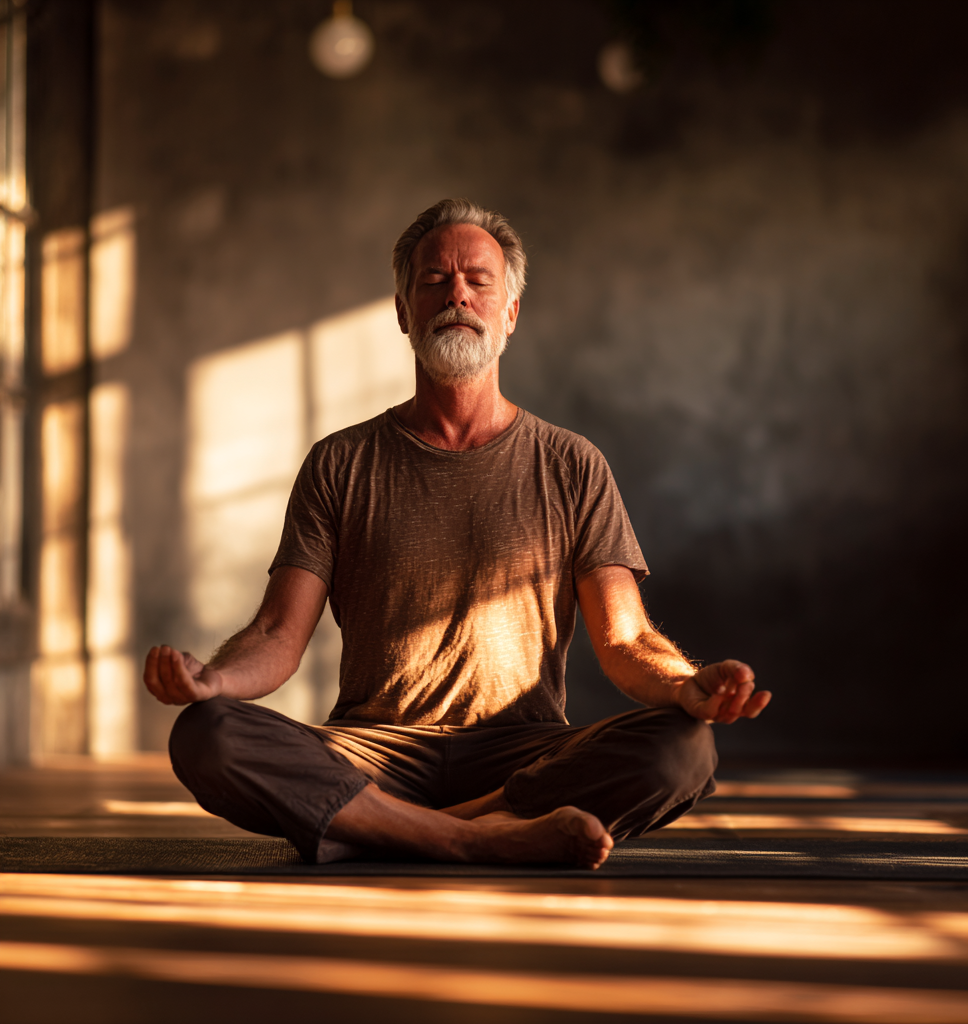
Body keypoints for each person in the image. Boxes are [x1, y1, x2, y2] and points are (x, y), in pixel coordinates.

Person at [144, 199, 771, 869]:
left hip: (523, 756)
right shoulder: (341, 462)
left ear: (510, 313)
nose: (457, 296)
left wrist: (684, 685)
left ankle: (389, 828)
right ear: (402, 311)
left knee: (684, 748)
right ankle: (477, 837)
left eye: (478, 280)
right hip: (372, 750)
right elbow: (276, 635)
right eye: (433, 280)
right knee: (207, 735)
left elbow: (626, 638)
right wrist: (214, 682)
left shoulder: (570, 463)